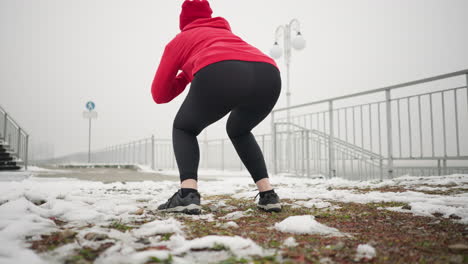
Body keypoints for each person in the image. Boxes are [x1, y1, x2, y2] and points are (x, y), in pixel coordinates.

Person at [151, 0, 282, 215]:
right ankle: (268, 195)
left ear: (183, 22)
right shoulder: (229, 36)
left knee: (184, 128)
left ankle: (187, 194)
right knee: (239, 130)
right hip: (268, 73)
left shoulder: (181, 39)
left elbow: (160, 94)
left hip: (221, 70)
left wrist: (184, 77)